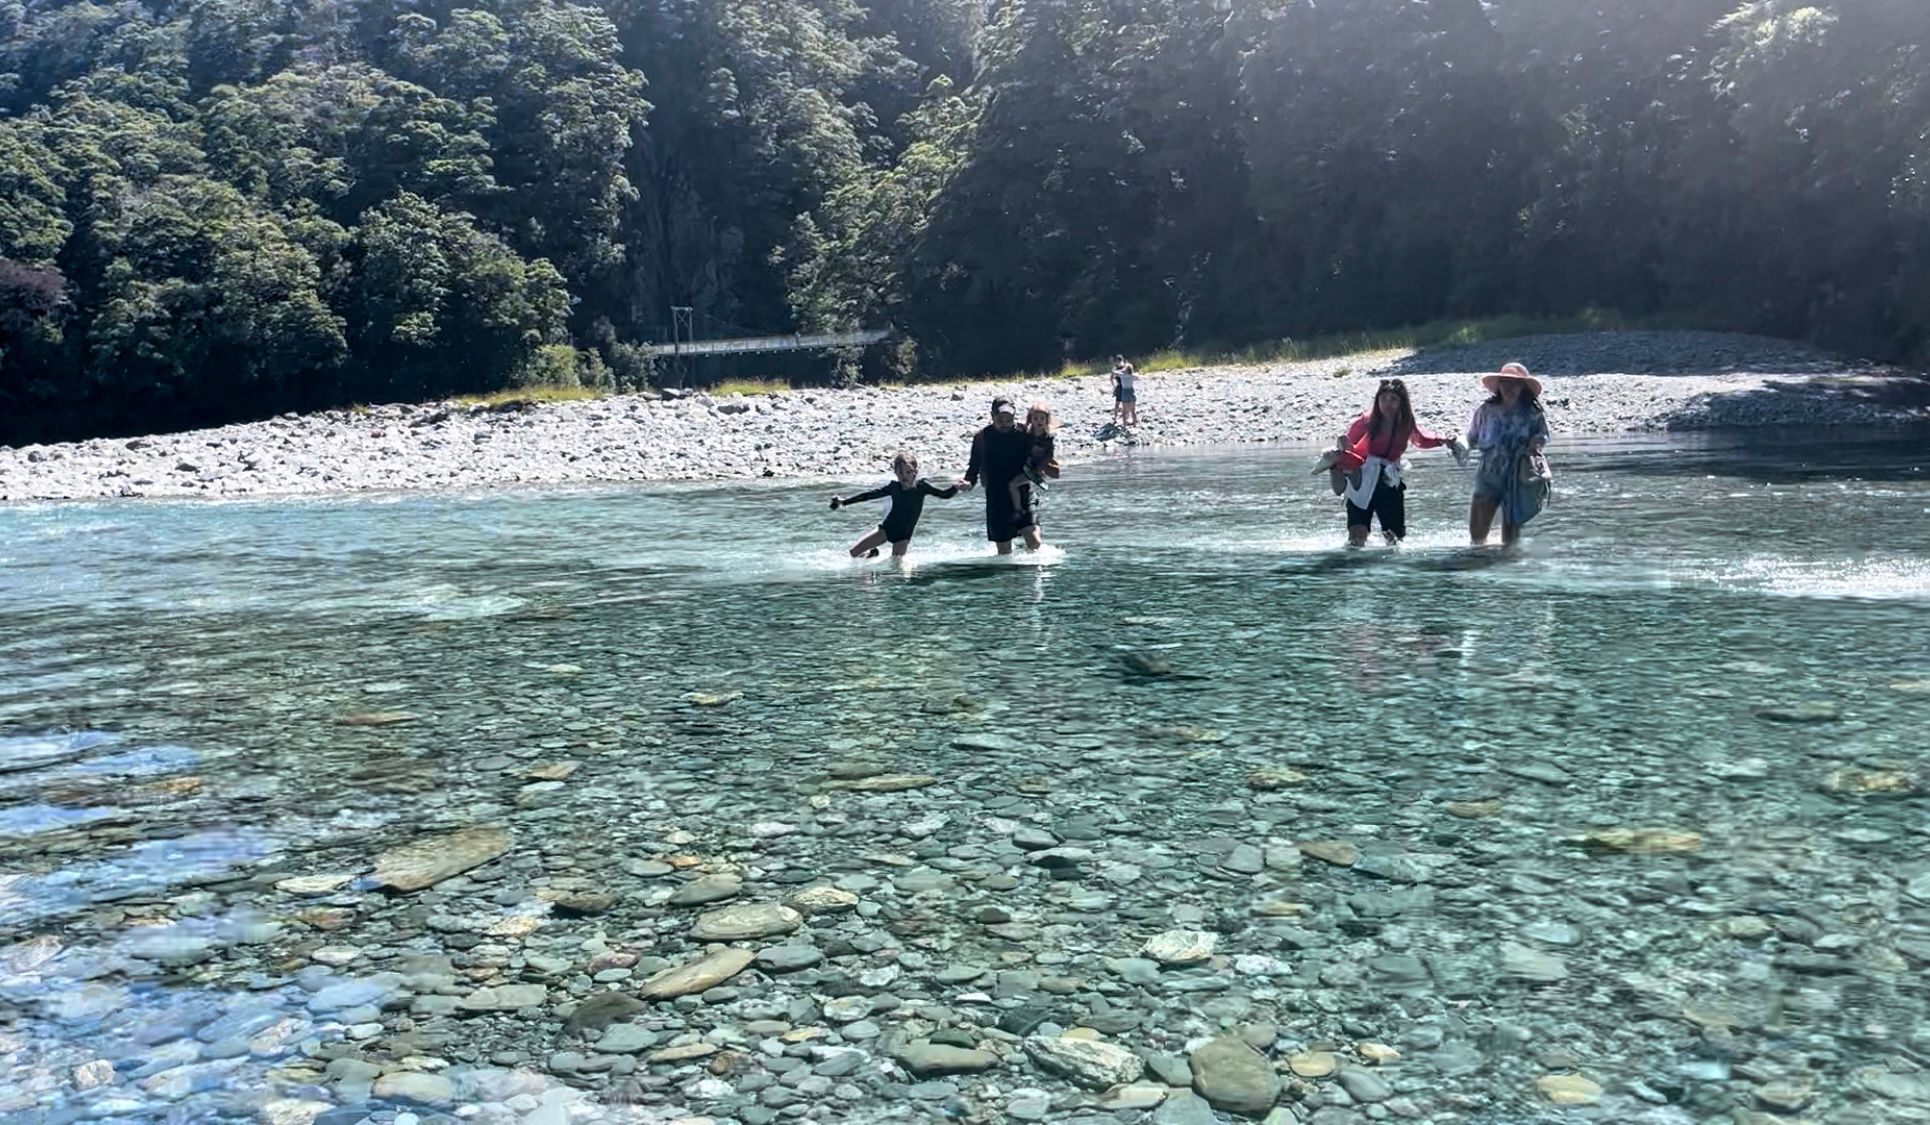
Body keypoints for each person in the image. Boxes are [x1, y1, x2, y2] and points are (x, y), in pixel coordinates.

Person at [1322, 378, 1464, 547]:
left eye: (1393, 399)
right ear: (1377, 401)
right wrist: (1338, 465)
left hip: (1389, 479)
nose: (1387, 403)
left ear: (1401, 402)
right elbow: (1347, 448)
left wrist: (1442, 440)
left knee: (1395, 538)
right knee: (1357, 535)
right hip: (1361, 479)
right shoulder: (1364, 422)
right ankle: (1356, 568)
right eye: (1383, 399)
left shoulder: (1406, 422)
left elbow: (1421, 439)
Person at [1466, 363, 1552, 546]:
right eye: (1504, 383)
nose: (1508, 388)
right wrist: (1454, 443)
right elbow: (1471, 437)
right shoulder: (1485, 410)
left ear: (1523, 387)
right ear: (1498, 386)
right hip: (1489, 472)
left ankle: (1507, 567)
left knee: (1511, 535)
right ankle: (1477, 561)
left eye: (1514, 383)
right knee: (1477, 533)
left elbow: (1544, 435)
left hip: (1518, 474)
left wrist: (1536, 442)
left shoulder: (1533, 413)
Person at [830, 451, 959, 558]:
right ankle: (871, 555)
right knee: (853, 553)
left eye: (908, 472)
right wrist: (844, 502)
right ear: (896, 473)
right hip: (887, 529)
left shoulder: (922, 487)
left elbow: (944, 495)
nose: (904, 476)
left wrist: (957, 487)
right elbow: (869, 495)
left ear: (915, 472)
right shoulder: (894, 488)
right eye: (900, 473)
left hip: (903, 536)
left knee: (896, 567)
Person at [957, 397, 1036, 555]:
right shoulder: (982, 438)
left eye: (1009, 419)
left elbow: (1038, 460)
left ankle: (1031, 576)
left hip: (1023, 493)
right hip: (996, 498)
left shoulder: (1025, 433)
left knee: (1034, 542)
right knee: (1004, 553)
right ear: (992, 416)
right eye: (1000, 419)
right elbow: (973, 468)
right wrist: (968, 484)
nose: (1005, 423)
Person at [1008, 402, 1061, 549]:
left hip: (1035, 469)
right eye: (1036, 418)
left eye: (1042, 419)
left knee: (1013, 484)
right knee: (1014, 484)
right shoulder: (1027, 434)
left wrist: (1041, 468)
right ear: (1031, 420)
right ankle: (1019, 512)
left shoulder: (1048, 438)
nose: (1039, 421)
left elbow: (1049, 456)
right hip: (1025, 466)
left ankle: (1018, 509)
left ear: (1046, 421)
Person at [1111, 355, 1139, 427]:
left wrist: (1120, 370)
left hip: (1124, 391)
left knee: (1123, 410)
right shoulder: (1131, 375)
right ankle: (1134, 425)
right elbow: (1137, 377)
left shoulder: (1122, 374)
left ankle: (1124, 424)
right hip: (1131, 391)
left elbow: (1114, 373)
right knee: (1132, 410)